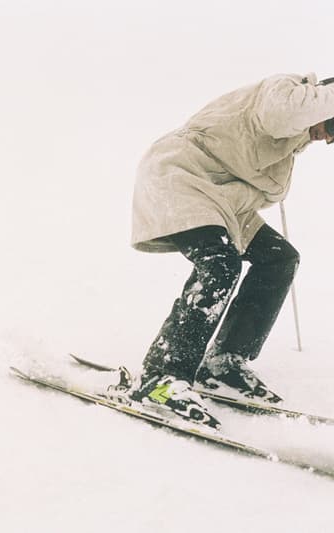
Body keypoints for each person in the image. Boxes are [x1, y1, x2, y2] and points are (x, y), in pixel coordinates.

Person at [129, 73, 334, 427]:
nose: (327, 137)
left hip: (220, 200)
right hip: (179, 178)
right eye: (331, 126)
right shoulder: (285, 92)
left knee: (279, 258)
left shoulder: (291, 139)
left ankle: (224, 361)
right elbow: (282, 115)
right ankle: (160, 377)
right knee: (220, 264)